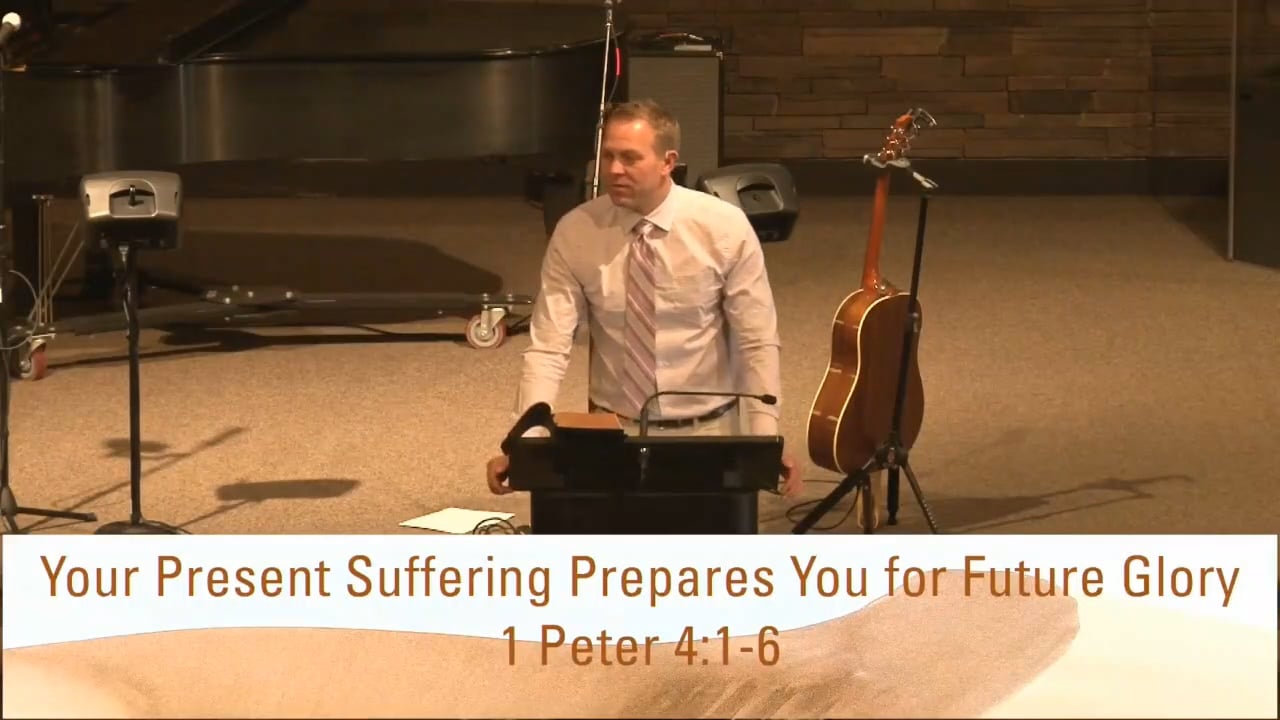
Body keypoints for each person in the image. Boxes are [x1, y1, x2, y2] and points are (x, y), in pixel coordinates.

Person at [486, 99, 800, 496]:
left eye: (630, 158)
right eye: (608, 156)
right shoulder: (576, 232)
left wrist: (765, 440)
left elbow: (757, 339)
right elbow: (549, 346)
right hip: (612, 433)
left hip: (709, 431)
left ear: (668, 162)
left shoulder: (724, 228)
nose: (615, 170)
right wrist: (526, 444)